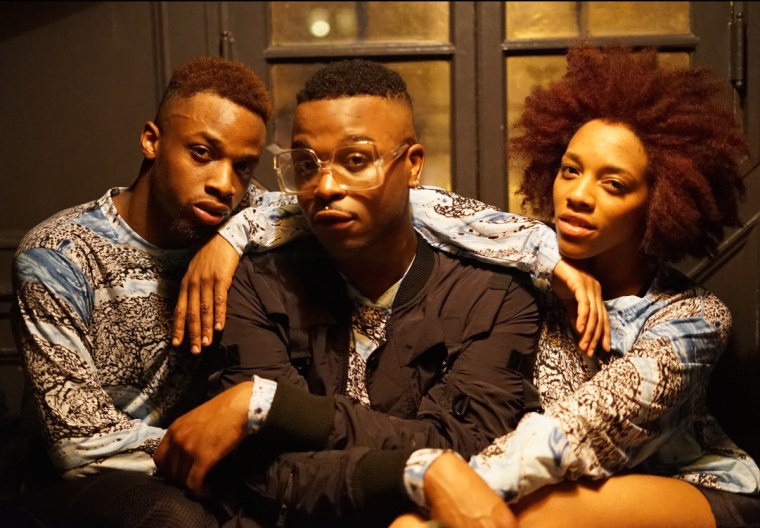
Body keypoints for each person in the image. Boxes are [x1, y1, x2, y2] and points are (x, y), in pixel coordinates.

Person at [154, 58, 543, 527]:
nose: (325, 186)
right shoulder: (252, 283)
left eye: (355, 161)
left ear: (413, 165)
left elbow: (474, 452)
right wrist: (414, 471)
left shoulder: (496, 296)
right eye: (305, 165)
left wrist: (274, 407)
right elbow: (261, 475)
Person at [388, 44, 760, 528]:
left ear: (661, 200)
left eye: (614, 184)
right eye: (570, 170)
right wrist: (544, 253)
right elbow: (399, 202)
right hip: (568, 485)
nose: (579, 196)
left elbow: (584, 428)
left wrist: (432, 477)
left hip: (695, 489)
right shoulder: (532, 278)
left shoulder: (694, 316)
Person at [11, 56, 274, 527]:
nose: (224, 183)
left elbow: (425, 208)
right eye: (202, 153)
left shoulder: (239, 215)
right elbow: (78, 443)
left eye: (244, 167)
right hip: (85, 477)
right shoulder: (59, 253)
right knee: (174, 519)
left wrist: (230, 241)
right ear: (152, 140)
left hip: (197, 469)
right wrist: (211, 447)